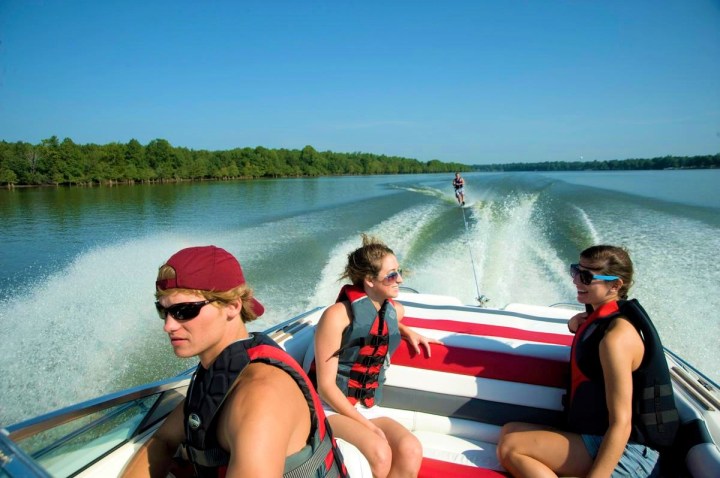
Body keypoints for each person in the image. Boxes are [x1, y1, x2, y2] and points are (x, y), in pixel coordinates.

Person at [122, 245, 346, 478]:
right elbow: (164, 440)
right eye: (163, 311)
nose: (168, 325)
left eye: (185, 310)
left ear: (232, 306)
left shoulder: (260, 396)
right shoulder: (218, 373)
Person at [496, 245, 678, 477]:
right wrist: (574, 325)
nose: (575, 281)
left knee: (511, 448)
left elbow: (622, 423)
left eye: (586, 276)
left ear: (615, 285)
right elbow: (588, 334)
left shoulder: (616, 339)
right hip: (596, 437)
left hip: (630, 454)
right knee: (509, 431)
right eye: (575, 271)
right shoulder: (599, 319)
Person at [313, 234, 442, 478]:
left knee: (411, 449)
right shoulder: (336, 316)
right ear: (370, 280)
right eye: (392, 275)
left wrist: (406, 331)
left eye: (399, 271)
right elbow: (325, 387)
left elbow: (383, 323)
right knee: (380, 453)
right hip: (331, 407)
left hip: (368, 405)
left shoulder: (395, 310)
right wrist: (367, 426)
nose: (400, 279)